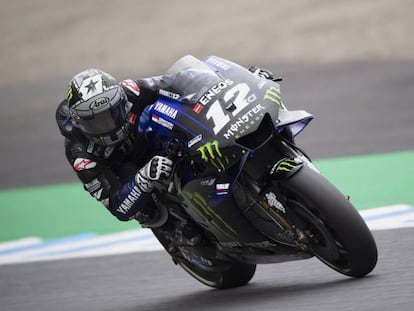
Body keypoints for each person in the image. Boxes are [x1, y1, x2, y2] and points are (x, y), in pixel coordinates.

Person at [55, 59, 276, 227]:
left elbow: (176, 81)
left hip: (154, 141)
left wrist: (242, 80)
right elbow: (117, 208)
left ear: (121, 100)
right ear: (79, 122)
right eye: (96, 123)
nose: (107, 125)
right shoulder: (80, 153)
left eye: (111, 114)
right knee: (148, 211)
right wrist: (143, 179)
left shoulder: (129, 91)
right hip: (128, 172)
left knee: (166, 109)